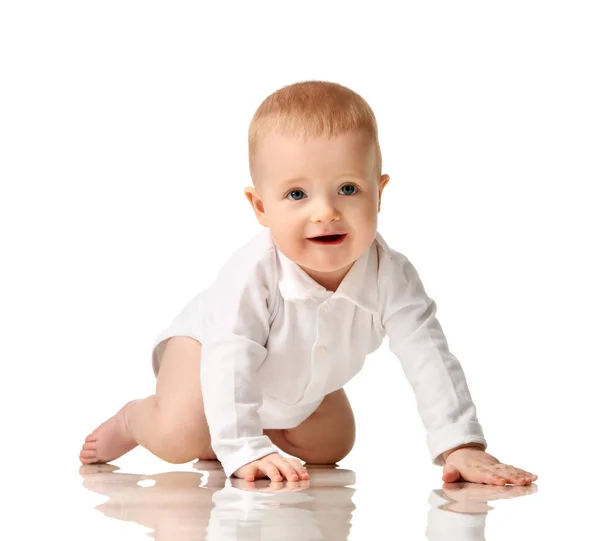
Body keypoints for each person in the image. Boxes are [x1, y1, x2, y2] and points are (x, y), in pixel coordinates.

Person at [80, 80, 538, 486]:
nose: (326, 211)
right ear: (260, 206)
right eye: (297, 194)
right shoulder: (252, 274)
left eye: (348, 189)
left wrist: (460, 445)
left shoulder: (391, 275)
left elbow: (428, 355)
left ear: (379, 193)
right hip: (206, 352)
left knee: (331, 445)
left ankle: (224, 433)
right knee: (179, 435)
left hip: (297, 385)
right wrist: (244, 449)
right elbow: (231, 353)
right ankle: (138, 418)